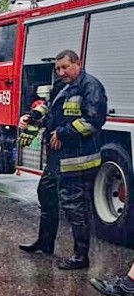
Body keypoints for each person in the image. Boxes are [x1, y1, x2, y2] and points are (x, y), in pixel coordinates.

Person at [18, 49, 107, 270]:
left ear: (78, 63)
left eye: (65, 67)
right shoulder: (62, 86)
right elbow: (50, 109)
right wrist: (33, 117)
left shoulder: (91, 87)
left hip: (78, 158)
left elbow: (93, 121)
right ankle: (45, 242)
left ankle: (80, 256)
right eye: (58, 68)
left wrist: (63, 133)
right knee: (46, 193)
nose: (61, 72)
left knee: (74, 206)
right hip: (57, 157)